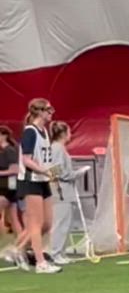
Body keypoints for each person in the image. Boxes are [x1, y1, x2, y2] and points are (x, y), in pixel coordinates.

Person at [12, 98, 59, 273]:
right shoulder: (30, 132)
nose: (51, 112)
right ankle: (40, 263)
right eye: (48, 109)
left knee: (47, 223)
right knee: (36, 224)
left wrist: (53, 173)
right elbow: (26, 160)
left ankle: (18, 250)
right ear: (39, 111)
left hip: (42, 180)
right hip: (30, 180)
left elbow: (45, 158)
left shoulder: (44, 131)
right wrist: (45, 171)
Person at [46, 121, 78, 265]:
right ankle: (55, 253)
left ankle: (61, 252)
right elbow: (54, 170)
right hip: (60, 189)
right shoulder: (56, 148)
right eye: (69, 132)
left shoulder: (60, 148)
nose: (70, 134)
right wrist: (73, 175)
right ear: (64, 134)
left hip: (65, 189)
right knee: (60, 222)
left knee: (66, 223)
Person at [0, 126, 22, 263]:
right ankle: (21, 247)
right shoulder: (3, 151)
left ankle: (21, 246)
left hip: (8, 188)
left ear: (4, 136)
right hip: (5, 187)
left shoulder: (10, 151)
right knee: (13, 220)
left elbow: (15, 170)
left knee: (13, 219)